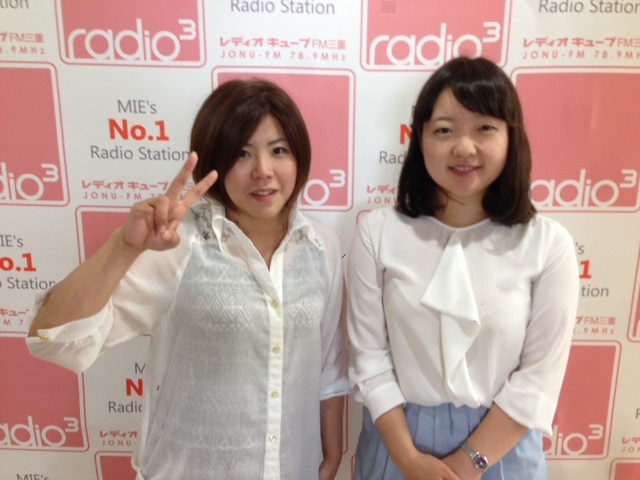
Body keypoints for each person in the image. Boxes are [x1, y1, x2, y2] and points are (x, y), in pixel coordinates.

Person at [26, 79, 349, 480]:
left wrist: (331, 454)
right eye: (242, 153)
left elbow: (328, 366)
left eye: (278, 150)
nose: (263, 171)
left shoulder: (321, 247)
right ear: (214, 162)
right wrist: (123, 247)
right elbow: (54, 341)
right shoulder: (178, 244)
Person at [346, 57, 580, 480]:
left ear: (511, 137)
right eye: (444, 130)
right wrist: (409, 460)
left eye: (484, 128)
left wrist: (467, 465)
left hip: (501, 448)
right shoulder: (377, 233)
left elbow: (537, 380)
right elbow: (369, 359)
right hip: (397, 443)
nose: (464, 147)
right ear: (420, 139)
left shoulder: (548, 245)